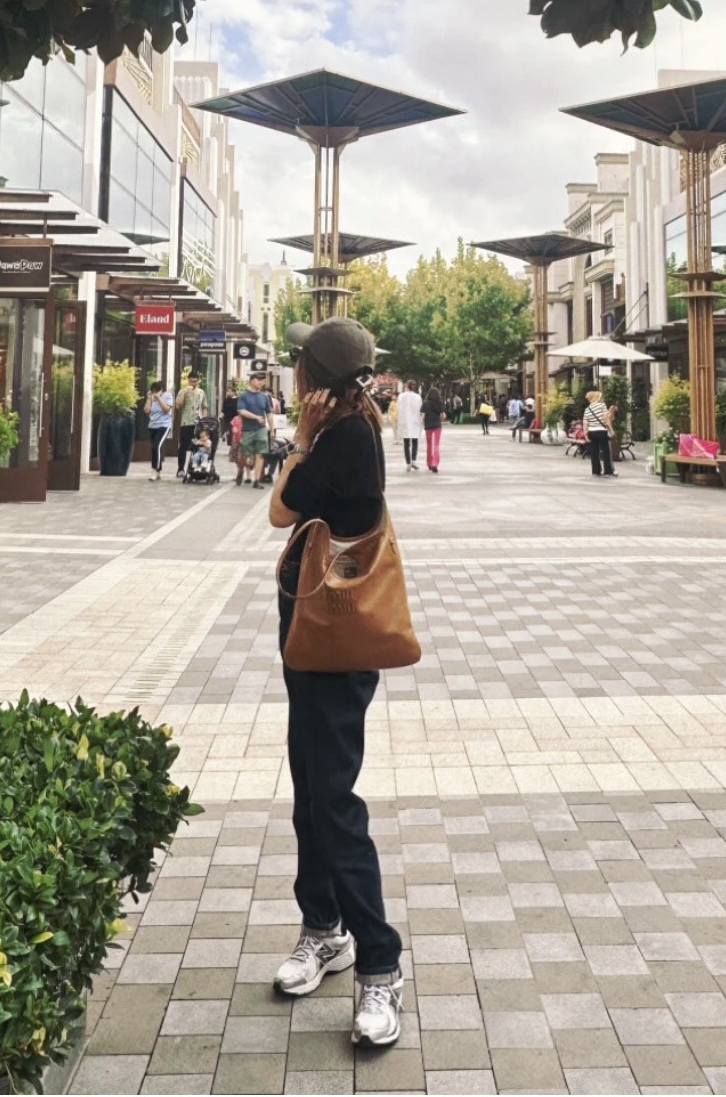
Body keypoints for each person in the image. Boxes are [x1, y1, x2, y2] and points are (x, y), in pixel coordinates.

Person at [267, 317, 405, 1048]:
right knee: (311, 794)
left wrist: (296, 441)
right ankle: (323, 930)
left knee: (333, 803)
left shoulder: (344, 438)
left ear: (313, 378)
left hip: (334, 641)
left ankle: (379, 963)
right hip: (310, 636)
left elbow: (278, 509)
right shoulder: (345, 428)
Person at [237, 374, 274, 487]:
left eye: (263, 381)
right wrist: (256, 417)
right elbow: (241, 411)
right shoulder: (243, 396)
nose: (262, 383)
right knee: (245, 455)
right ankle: (241, 471)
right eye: (259, 380)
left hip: (261, 429)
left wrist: (272, 429)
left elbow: (269, 414)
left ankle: (256, 480)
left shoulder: (265, 397)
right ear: (252, 381)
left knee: (260, 454)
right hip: (247, 429)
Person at [174, 370, 208, 478]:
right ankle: (180, 469)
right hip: (186, 422)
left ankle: (196, 468)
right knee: (183, 446)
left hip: (198, 423)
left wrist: (204, 421)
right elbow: (178, 405)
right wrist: (185, 393)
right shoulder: (182, 391)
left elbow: (204, 407)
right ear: (188, 381)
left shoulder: (201, 392)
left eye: (195, 381)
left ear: (198, 381)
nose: (193, 383)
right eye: (191, 381)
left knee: (198, 445)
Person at [143, 378, 174, 479]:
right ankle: (158, 471)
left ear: (161, 390)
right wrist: (149, 399)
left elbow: (166, 410)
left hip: (164, 425)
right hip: (152, 426)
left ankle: (154, 470)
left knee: (156, 446)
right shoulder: (151, 397)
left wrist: (159, 399)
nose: (155, 393)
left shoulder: (167, 396)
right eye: (153, 391)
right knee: (156, 448)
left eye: (157, 390)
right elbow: (146, 410)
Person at [583, 389, 616, 477]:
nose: (602, 399)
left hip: (592, 432)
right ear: (597, 398)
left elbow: (585, 423)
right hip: (601, 431)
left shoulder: (587, 409)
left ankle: (596, 471)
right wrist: (611, 429)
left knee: (594, 452)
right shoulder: (602, 405)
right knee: (605, 451)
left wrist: (586, 436)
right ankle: (607, 471)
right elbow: (606, 418)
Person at [397, 380, 422, 470]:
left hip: (405, 421)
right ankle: (414, 460)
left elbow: (398, 408)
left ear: (406, 386)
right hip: (415, 421)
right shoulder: (417, 397)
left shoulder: (401, 396)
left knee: (406, 443)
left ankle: (408, 463)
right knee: (415, 441)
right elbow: (420, 409)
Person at [423, 386, 445, 474]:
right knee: (436, 445)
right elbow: (442, 416)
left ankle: (429, 463)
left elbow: (423, 416)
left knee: (429, 445)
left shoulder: (425, 403)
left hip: (428, 426)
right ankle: (435, 463)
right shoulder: (439, 403)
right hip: (437, 426)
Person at [222, 381, 240, 446]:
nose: (228, 393)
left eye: (229, 391)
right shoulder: (226, 400)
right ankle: (230, 444)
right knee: (229, 432)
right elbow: (223, 409)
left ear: (233, 392)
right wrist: (222, 416)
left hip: (235, 418)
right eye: (227, 391)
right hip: (227, 418)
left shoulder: (238, 400)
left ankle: (233, 444)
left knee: (233, 432)